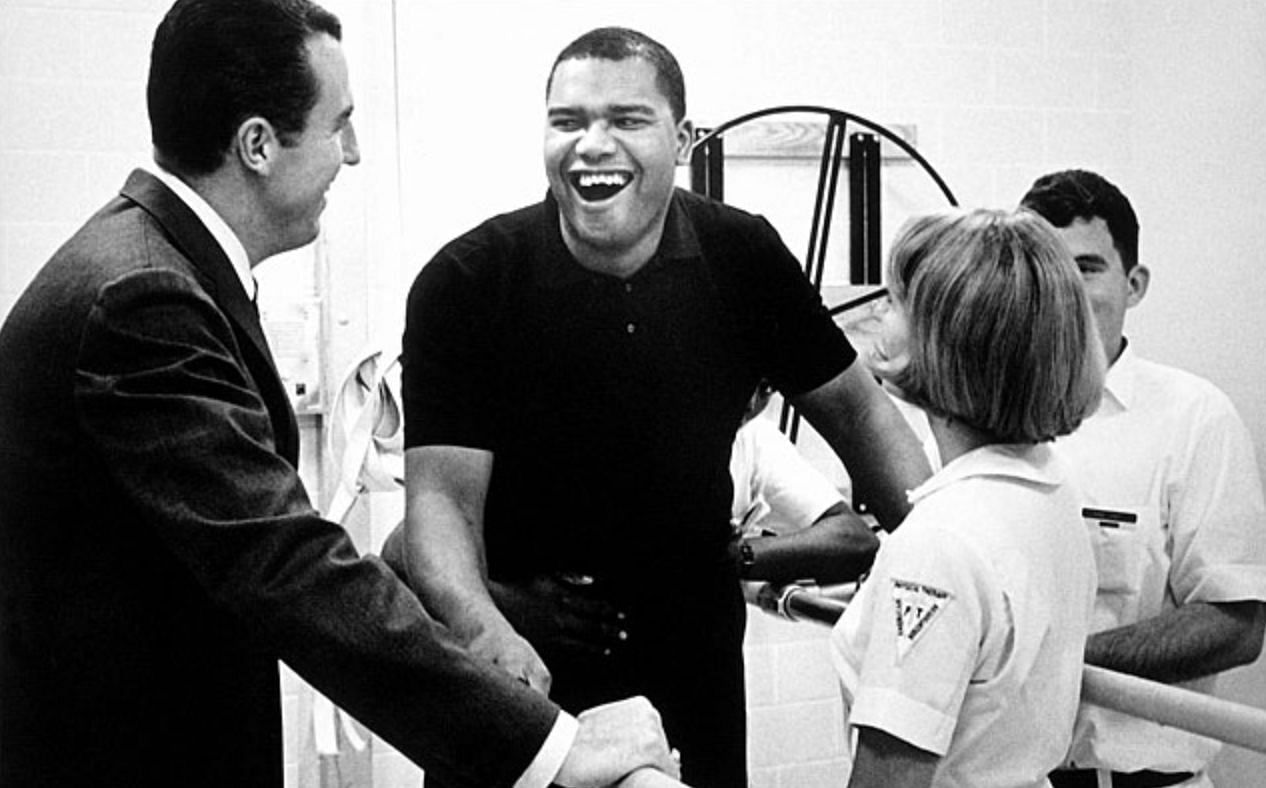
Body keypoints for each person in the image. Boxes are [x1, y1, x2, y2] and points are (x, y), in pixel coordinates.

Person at [0, 2, 678, 786]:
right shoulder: (143, 297)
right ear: (257, 145)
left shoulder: (154, 266)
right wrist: (556, 748)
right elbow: (285, 568)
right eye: (338, 125)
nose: (351, 154)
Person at [382, 26, 932, 788]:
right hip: (520, 672)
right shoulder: (469, 283)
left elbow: (862, 416)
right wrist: (488, 628)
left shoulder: (741, 256)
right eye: (567, 122)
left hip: (690, 668)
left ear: (683, 138)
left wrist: (946, 550)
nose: (591, 145)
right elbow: (439, 501)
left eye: (626, 120)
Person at [830, 208, 1104, 788]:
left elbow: (891, 778)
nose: (879, 309)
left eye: (899, 298)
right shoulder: (1050, 487)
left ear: (952, 337)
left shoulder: (939, 541)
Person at [1021, 169, 1266, 788]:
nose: (1063, 291)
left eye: (1086, 267)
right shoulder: (981, 416)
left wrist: (1049, 669)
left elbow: (1237, 626)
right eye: (1044, 268)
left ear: (1134, 284)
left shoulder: (1193, 416)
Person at [729, 382, 879, 587]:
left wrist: (741, 555)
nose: (750, 404)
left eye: (766, 391)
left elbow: (857, 539)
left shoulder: (754, 438)